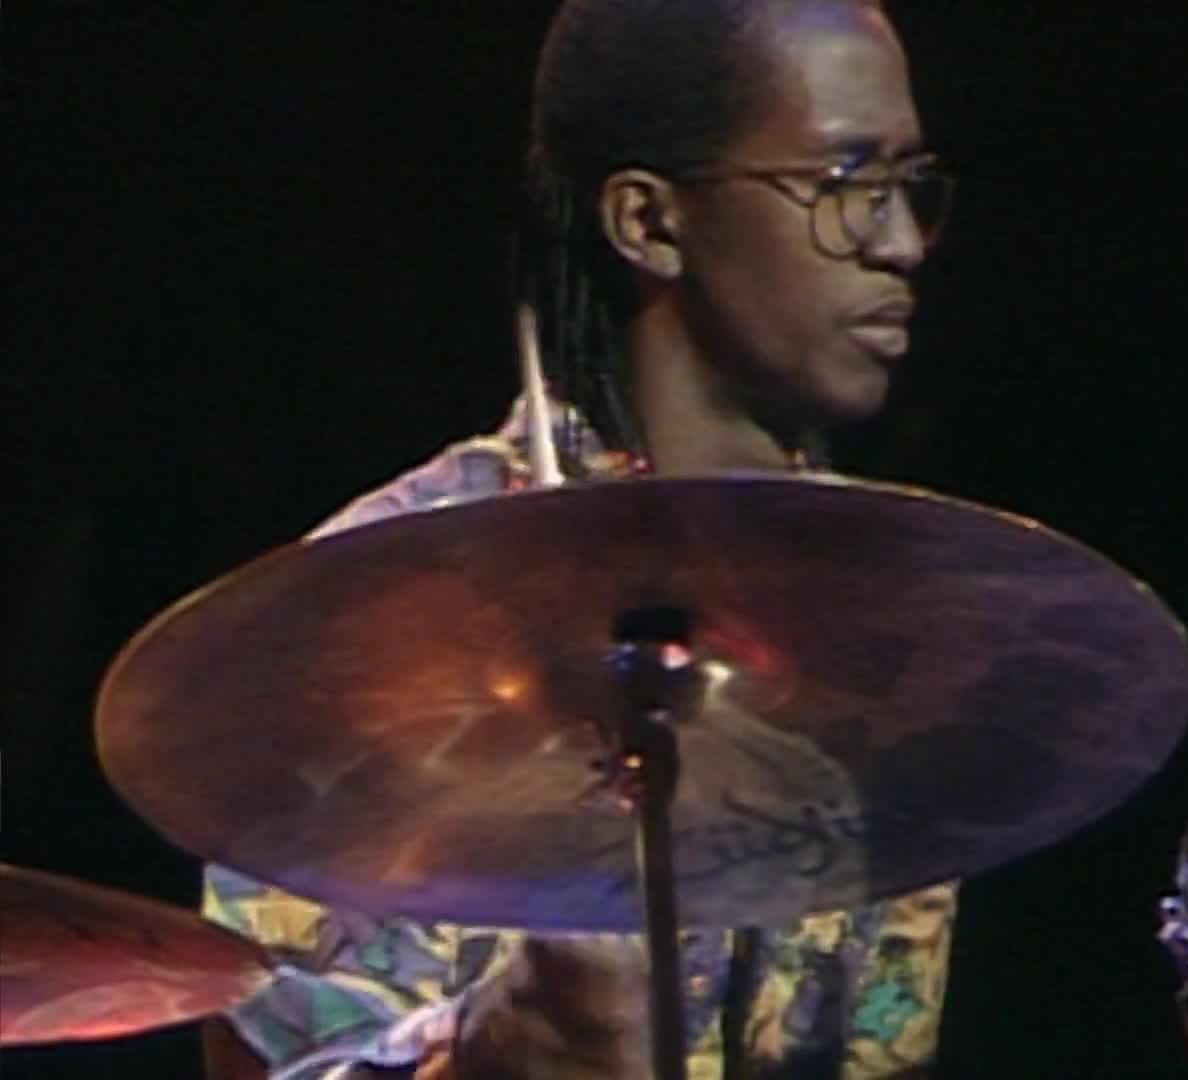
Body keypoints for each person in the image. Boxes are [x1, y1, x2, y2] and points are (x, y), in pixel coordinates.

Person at [200, 1, 959, 1076]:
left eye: (911, 187)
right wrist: (488, 1052)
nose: (902, 242)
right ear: (649, 222)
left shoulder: (902, 619)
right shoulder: (364, 613)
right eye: (846, 186)